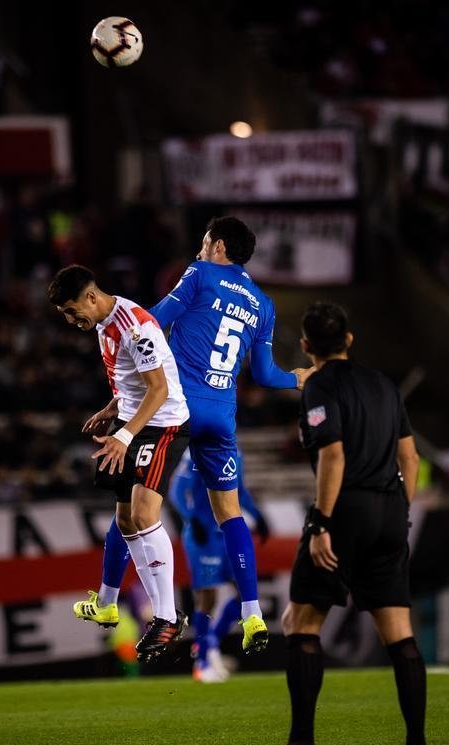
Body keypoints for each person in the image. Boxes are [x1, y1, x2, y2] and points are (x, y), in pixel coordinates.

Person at [79, 216, 313, 658]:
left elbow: (149, 322)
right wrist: (296, 378)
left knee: (130, 503)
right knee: (231, 514)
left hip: (176, 410)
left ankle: (109, 600)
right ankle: (252, 614)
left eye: (205, 243)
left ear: (218, 245)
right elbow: (266, 375)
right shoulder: (264, 305)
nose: (200, 249)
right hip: (221, 417)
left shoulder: (200, 273)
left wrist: (120, 394)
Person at [249, 302, 434, 745]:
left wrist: (319, 524)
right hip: (391, 512)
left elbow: (333, 456)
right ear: (349, 339)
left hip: (344, 511)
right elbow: (411, 459)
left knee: (301, 624)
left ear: (306, 346)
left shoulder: (319, 386)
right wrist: (399, 511)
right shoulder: (385, 385)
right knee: (400, 634)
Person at [50, 265, 192, 663]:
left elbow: (159, 389)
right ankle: (119, 606)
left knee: (144, 515)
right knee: (126, 521)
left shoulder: (135, 326)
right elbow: (132, 379)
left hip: (162, 425)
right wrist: (112, 408)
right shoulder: (102, 324)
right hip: (131, 421)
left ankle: (167, 617)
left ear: (91, 297)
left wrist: (124, 435)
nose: (70, 319)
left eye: (71, 310)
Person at [168, 452, 270, 682]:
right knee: (207, 597)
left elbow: (238, 492)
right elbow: (176, 492)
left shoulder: (235, 452)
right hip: (203, 537)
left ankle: (210, 642)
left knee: (245, 594)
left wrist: (257, 515)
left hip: (227, 535)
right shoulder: (194, 454)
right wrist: (191, 519)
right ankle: (202, 660)